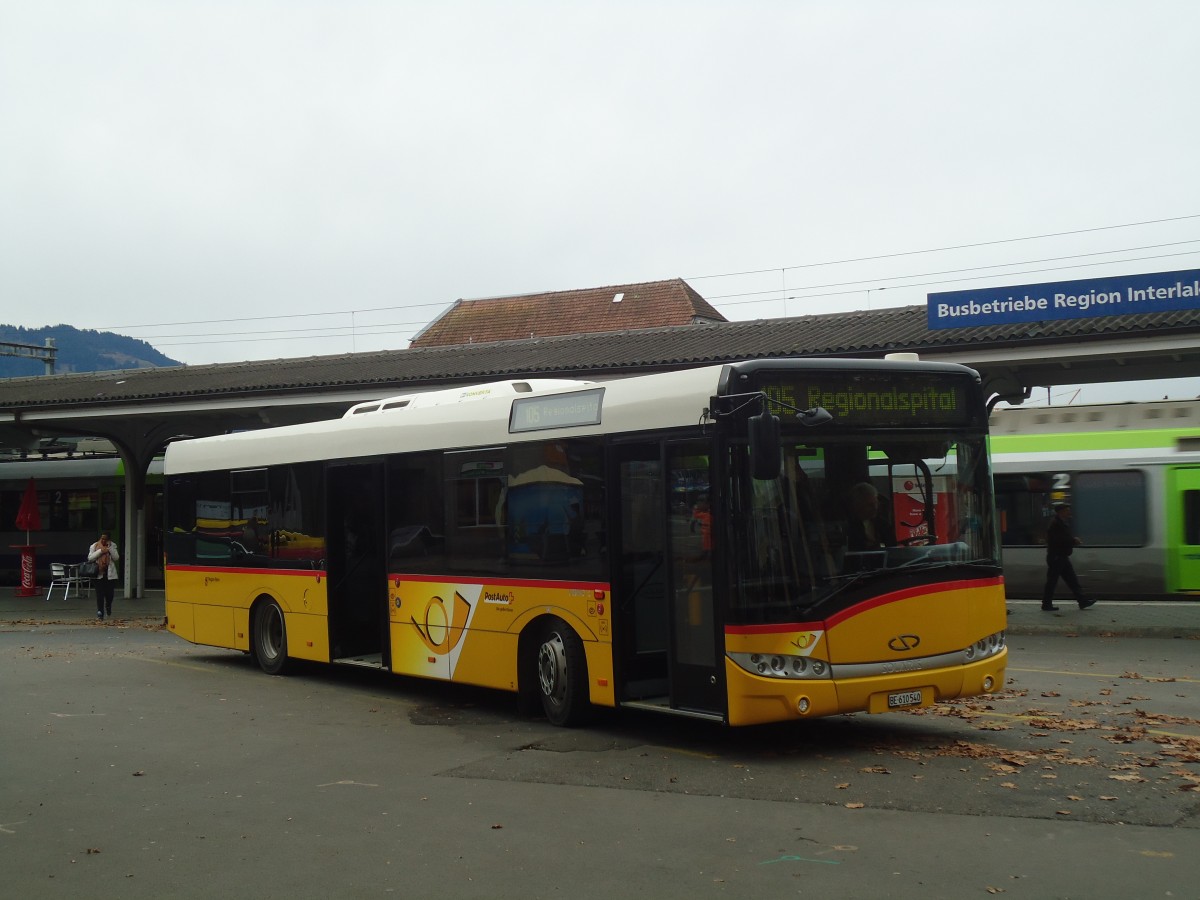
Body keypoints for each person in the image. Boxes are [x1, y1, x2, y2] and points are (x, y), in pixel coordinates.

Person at [1042, 501, 1096, 611]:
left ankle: (1082, 601)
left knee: (1072, 580)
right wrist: (1073, 541)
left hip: (1061, 556)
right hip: (1057, 557)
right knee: (1052, 581)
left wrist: (1071, 541)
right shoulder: (1056, 524)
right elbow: (1059, 540)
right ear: (1061, 512)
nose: (1069, 512)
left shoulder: (1060, 523)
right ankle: (1046, 604)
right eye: (1067, 510)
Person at [846, 482, 894, 551]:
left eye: (876, 503)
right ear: (857, 505)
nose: (875, 508)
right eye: (870, 505)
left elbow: (892, 547)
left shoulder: (883, 524)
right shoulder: (849, 527)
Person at [88, 532, 120, 620]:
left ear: (109, 539)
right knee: (99, 595)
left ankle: (108, 605)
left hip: (110, 575)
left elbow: (116, 557)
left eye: (105, 539)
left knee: (110, 594)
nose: (103, 540)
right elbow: (90, 558)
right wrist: (100, 551)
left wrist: (109, 548)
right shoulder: (94, 546)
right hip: (99, 574)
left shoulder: (113, 545)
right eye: (102, 538)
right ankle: (100, 612)